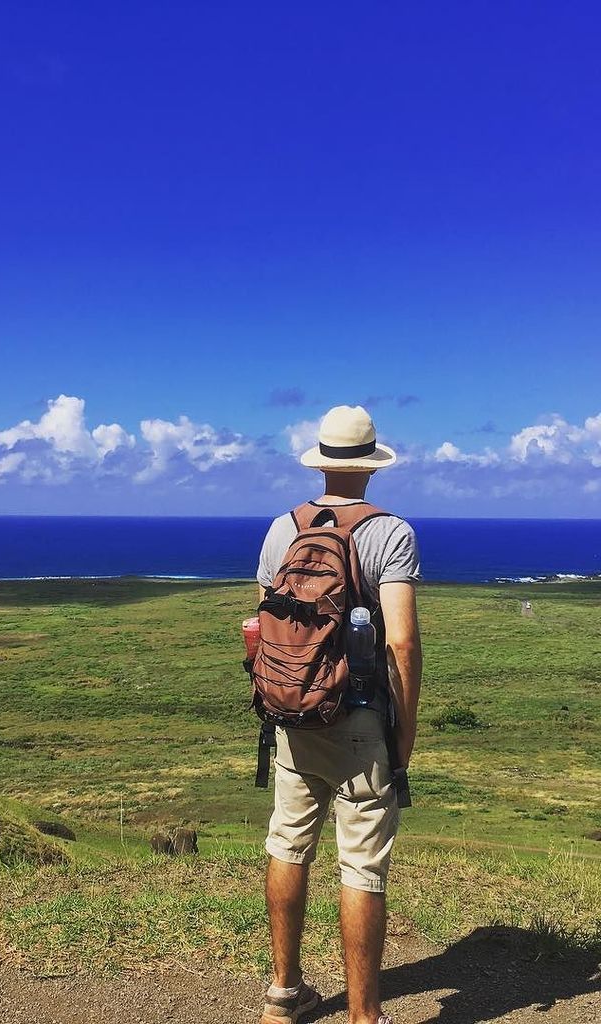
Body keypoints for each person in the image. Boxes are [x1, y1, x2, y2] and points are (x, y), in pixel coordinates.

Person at [255, 405, 422, 1024]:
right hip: (358, 721)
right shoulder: (390, 533)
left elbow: (271, 629)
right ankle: (364, 1017)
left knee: (288, 843)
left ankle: (283, 994)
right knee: (361, 865)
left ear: (320, 460)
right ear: (371, 467)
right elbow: (401, 642)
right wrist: (403, 735)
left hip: (293, 716)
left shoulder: (281, 530)